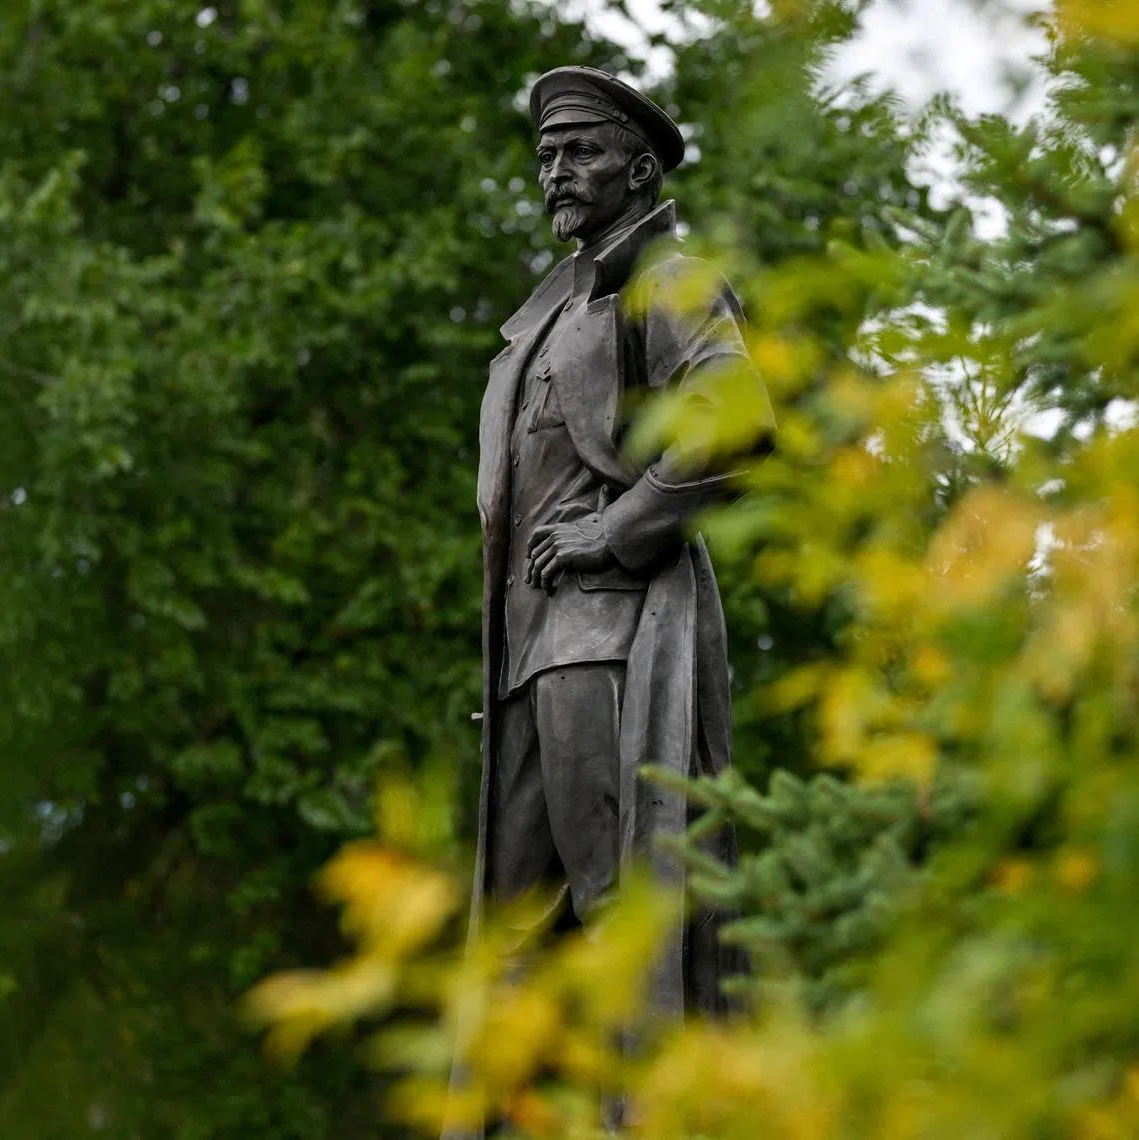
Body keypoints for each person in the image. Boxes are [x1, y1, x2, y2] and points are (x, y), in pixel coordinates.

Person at [470, 65, 775, 1020]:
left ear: (640, 171)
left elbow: (734, 419)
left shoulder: (667, 283)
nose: (558, 172)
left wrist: (612, 529)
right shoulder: (550, 313)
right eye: (547, 155)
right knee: (516, 924)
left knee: (620, 905)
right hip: (526, 655)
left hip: (605, 639)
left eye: (583, 152)